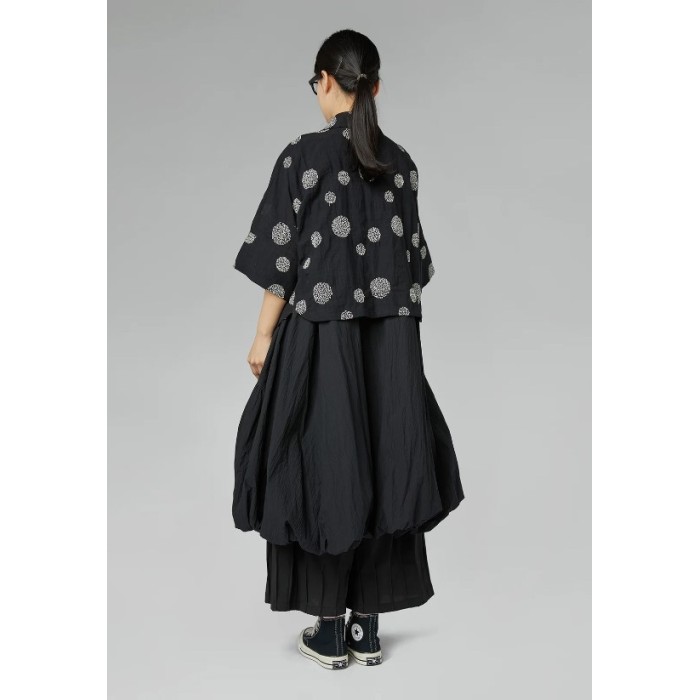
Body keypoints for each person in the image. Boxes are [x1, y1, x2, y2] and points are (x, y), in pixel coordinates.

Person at [231, 29, 465, 670]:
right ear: (377, 87)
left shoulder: (303, 157)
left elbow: (280, 262)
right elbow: (415, 266)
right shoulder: (402, 164)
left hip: (322, 339)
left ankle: (329, 631)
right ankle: (368, 629)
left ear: (327, 81)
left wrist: (262, 336)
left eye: (317, 82)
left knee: (324, 463)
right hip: (391, 345)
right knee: (389, 463)